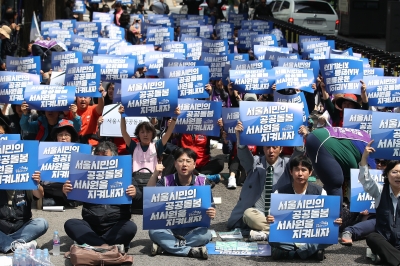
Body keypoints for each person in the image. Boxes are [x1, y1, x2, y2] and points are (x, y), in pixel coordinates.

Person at [63, 141, 139, 251]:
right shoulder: (86, 175)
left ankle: (92, 244)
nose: (100, 159)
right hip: (91, 225)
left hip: (116, 224)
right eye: (97, 155)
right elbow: (74, 201)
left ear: (114, 158)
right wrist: (66, 192)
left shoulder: (125, 176)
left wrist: (135, 193)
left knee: (130, 227)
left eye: (104, 155)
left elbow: (139, 199)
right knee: (70, 224)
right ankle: (106, 246)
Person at [227, 121, 295, 241]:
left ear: (281, 149)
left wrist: (302, 138)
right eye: (268, 147)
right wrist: (239, 136)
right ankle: (277, 232)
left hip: (278, 213)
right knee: (248, 214)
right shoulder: (255, 162)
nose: (271, 151)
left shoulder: (287, 164)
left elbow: (298, 157)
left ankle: (266, 232)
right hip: (258, 213)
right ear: (263, 148)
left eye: (275, 147)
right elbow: (243, 155)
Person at [267, 155, 342, 261]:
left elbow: (327, 217)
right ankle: (310, 252)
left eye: (304, 170)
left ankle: (292, 254)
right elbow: (273, 217)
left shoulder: (320, 192)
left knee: (331, 235)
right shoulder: (279, 192)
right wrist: (270, 219)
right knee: (271, 237)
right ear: (291, 172)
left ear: (310, 173)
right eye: (296, 170)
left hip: (311, 235)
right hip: (289, 236)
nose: (300, 174)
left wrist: (334, 222)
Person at [147, 148, 216, 259]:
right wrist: (155, 174)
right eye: (180, 161)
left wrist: (211, 212)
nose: (184, 164)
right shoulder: (165, 181)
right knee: (153, 232)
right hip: (169, 228)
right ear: (175, 164)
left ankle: (165, 247)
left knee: (206, 235)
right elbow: (149, 199)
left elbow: (211, 207)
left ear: (194, 165)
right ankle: (190, 251)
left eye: (188, 161)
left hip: (193, 229)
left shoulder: (203, 182)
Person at [119, 105, 180, 173]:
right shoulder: (133, 146)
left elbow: (169, 132)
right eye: (142, 132)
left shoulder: (157, 146)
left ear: (153, 134)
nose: (145, 135)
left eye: (148, 132)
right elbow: (124, 132)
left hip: (153, 181)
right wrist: (122, 116)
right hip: (136, 181)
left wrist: (174, 117)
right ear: (138, 134)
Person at [0, 171, 48, 253]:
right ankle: (14, 244)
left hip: (21, 225)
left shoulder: (25, 177)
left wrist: (36, 183)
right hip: (1, 226)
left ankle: (6, 242)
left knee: (42, 223)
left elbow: (40, 195)